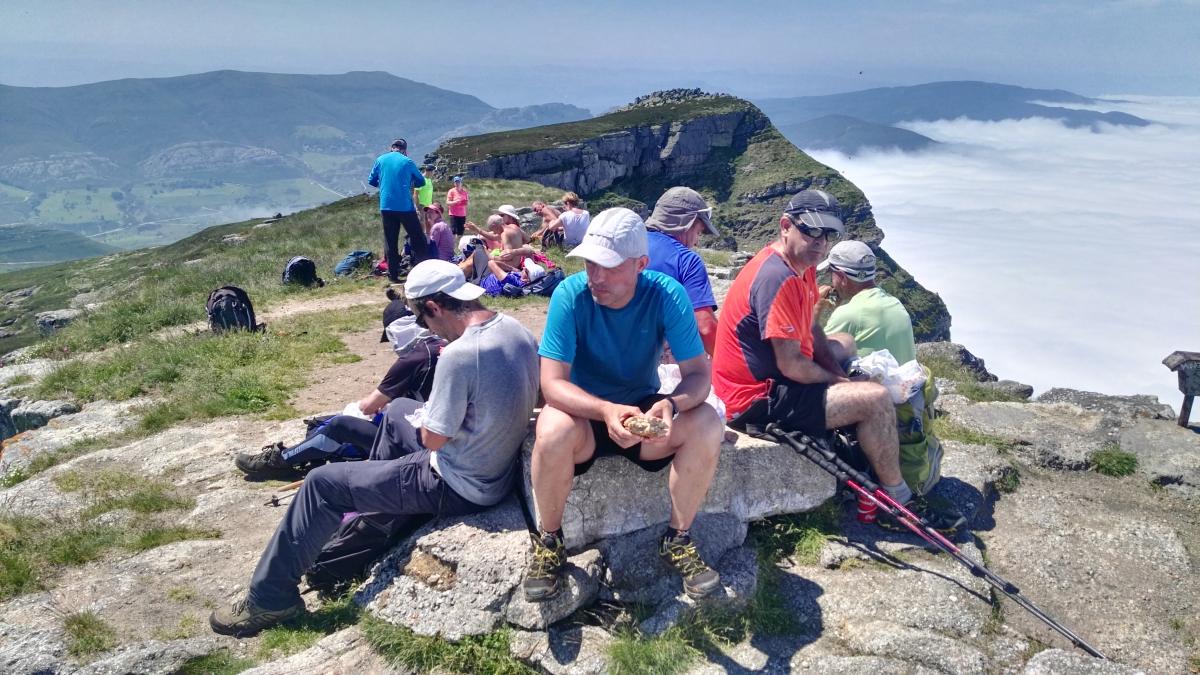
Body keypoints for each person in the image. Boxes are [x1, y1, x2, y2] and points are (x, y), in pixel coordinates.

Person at [210, 260, 540, 637]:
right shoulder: (514, 328)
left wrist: (433, 416)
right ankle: (371, 519)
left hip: (458, 481)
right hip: (493, 463)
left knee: (322, 483)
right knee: (399, 409)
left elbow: (433, 439)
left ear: (433, 307)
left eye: (423, 320)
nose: (427, 330)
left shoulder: (461, 355)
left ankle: (270, 599)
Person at [711, 190, 965, 534]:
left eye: (829, 235)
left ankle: (861, 439)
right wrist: (842, 385)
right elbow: (791, 366)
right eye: (812, 232)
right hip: (755, 398)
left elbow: (812, 328)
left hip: (771, 380)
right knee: (874, 400)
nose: (821, 243)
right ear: (786, 226)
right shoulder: (777, 278)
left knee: (844, 341)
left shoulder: (800, 267)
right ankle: (899, 503)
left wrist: (833, 369)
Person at [523, 208, 725, 602]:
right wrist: (604, 411)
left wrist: (670, 404)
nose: (596, 276)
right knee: (551, 427)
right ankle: (550, 542)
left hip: (645, 408)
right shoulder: (570, 294)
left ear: (641, 264)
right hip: (585, 412)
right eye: (590, 263)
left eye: (610, 267)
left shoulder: (666, 294)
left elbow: (700, 375)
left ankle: (678, 538)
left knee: (706, 424)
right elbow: (552, 384)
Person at [234, 295, 447, 479]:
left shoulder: (414, 358)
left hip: (423, 441)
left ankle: (281, 461)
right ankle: (305, 452)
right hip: (438, 432)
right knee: (333, 422)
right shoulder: (443, 344)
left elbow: (368, 407)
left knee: (340, 425)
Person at [645, 186, 721, 356]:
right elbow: (706, 328)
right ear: (687, 224)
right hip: (654, 366)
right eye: (699, 231)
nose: (696, 242)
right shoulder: (687, 260)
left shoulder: (627, 246)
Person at [817, 240, 916, 365]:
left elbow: (813, 358)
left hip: (874, 384)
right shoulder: (895, 303)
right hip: (907, 382)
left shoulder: (848, 313)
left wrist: (815, 310)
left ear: (842, 277)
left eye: (831, 272)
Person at [368, 139, 429, 282]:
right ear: (404, 150)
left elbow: (371, 180)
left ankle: (393, 275)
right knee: (417, 237)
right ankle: (425, 271)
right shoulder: (407, 161)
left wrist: (384, 185)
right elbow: (422, 181)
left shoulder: (380, 160)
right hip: (404, 206)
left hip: (386, 206)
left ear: (391, 148)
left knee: (390, 240)